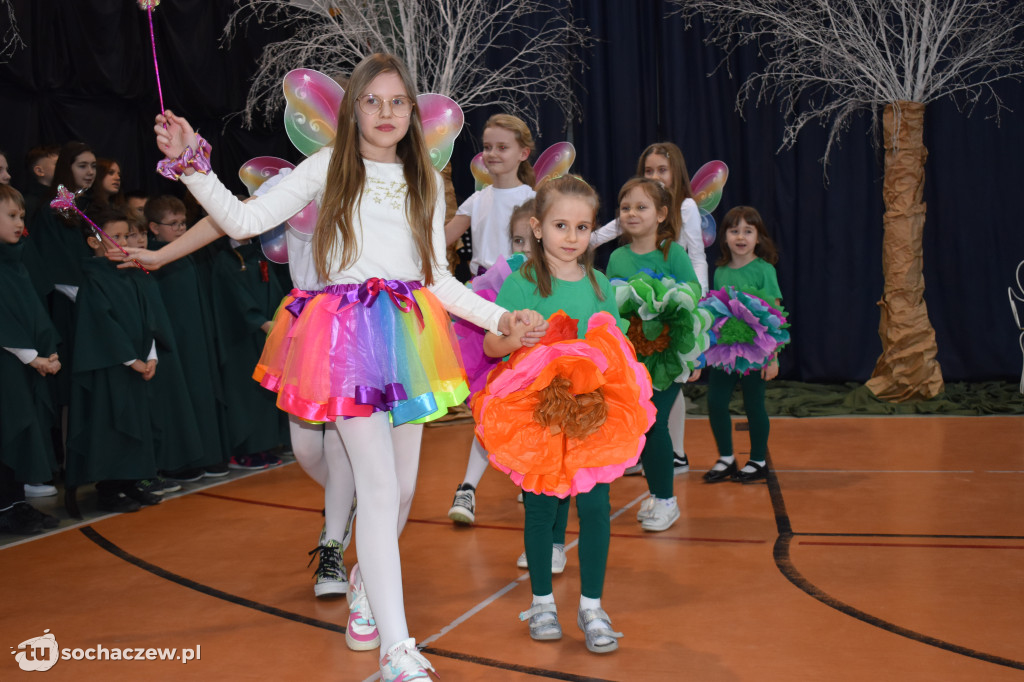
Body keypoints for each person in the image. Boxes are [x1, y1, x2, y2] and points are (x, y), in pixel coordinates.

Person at [144, 53, 545, 681]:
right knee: (380, 490)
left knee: (405, 491)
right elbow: (244, 220)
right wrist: (195, 162)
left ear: (412, 113)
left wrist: (501, 321)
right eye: (373, 101)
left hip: (410, 338)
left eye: (398, 102)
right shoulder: (328, 166)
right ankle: (398, 649)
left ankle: (364, 580)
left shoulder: (425, 180)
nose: (386, 113)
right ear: (354, 106)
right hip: (347, 338)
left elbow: (438, 278)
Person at [478, 175, 652, 654]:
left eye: (581, 226)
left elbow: (614, 349)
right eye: (560, 225)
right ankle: (542, 602)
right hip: (538, 416)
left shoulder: (598, 283)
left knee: (595, 509)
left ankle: (592, 606)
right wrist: (518, 336)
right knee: (541, 509)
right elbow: (493, 345)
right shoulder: (522, 282)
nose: (571, 237)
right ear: (537, 227)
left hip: (589, 416)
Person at [593, 142, 708, 476]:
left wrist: (691, 303)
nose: (655, 176)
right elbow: (606, 238)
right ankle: (639, 453)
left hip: (670, 329)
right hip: (633, 345)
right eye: (649, 170)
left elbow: (696, 259)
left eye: (662, 170)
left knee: (666, 399)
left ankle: (674, 455)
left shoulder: (681, 220)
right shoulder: (620, 253)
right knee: (635, 402)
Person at [606, 177, 704, 531]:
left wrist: (694, 356)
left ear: (662, 214)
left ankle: (666, 500)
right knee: (641, 426)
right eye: (625, 207)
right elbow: (613, 310)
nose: (632, 213)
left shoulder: (672, 253)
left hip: (667, 356)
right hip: (633, 358)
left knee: (653, 423)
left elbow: (691, 300)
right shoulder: (617, 257)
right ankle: (658, 493)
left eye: (641, 207)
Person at [65, 208, 163, 512]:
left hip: (137, 364)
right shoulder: (94, 280)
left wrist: (150, 355)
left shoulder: (131, 274)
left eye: (126, 236)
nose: (124, 242)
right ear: (94, 242)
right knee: (112, 426)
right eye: (115, 237)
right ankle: (109, 489)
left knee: (137, 424)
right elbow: (102, 324)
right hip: (112, 368)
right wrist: (129, 359)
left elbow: (149, 318)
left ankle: (130, 483)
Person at [447, 198, 537, 525]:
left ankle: (533, 486)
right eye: (517, 240)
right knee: (490, 421)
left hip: (541, 369)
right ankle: (467, 488)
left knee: (534, 426)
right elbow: (482, 306)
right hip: (501, 360)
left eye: (531, 240)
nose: (524, 248)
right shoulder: (505, 274)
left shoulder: (558, 275)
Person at [703, 206, 783, 484]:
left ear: (758, 238)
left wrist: (772, 357)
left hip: (756, 351)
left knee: (753, 405)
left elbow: (775, 313)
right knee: (715, 401)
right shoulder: (721, 271)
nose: (741, 236)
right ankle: (726, 457)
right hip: (726, 349)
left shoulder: (764, 270)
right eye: (734, 230)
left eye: (748, 231)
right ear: (723, 237)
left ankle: (758, 460)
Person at [0, 184, 62, 533]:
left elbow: (33, 310)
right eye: (11, 216)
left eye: (21, 215)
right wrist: (29, 356)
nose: (19, 222)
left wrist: (47, 349)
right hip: (8, 365)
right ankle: (6, 507)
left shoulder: (16, 260)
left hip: (23, 365)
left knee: (22, 427)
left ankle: (15, 502)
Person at [444, 114, 536, 275]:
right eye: (487, 147)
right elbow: (441, 240)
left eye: (502, 147)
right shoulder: (477, 200)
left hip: (520, 288)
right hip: (481, 290)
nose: (492, 153)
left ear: (523, 154)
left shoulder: (533, 201)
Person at [21, 145, 58, 225]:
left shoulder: (66, 197)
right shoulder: (29, 203)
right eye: (57, 164)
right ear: (39, 171)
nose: (63, 168)